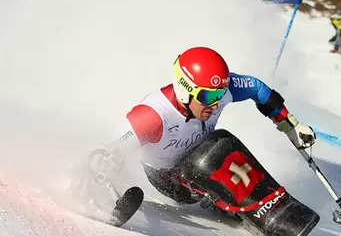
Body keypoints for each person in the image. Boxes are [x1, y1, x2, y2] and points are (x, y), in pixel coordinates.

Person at [78, 46, 316, 209]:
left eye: (220, 93)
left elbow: (258, 89)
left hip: (204, 156)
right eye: (208, 95)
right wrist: (105, 168)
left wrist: (290, 124)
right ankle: (235, 206)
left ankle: (269, 201)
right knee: (204, 163)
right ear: (185, 89)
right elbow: (110, 147)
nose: (215, 103)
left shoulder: (219, 89)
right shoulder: (154, 116)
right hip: (168, 178)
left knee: (223, 143)